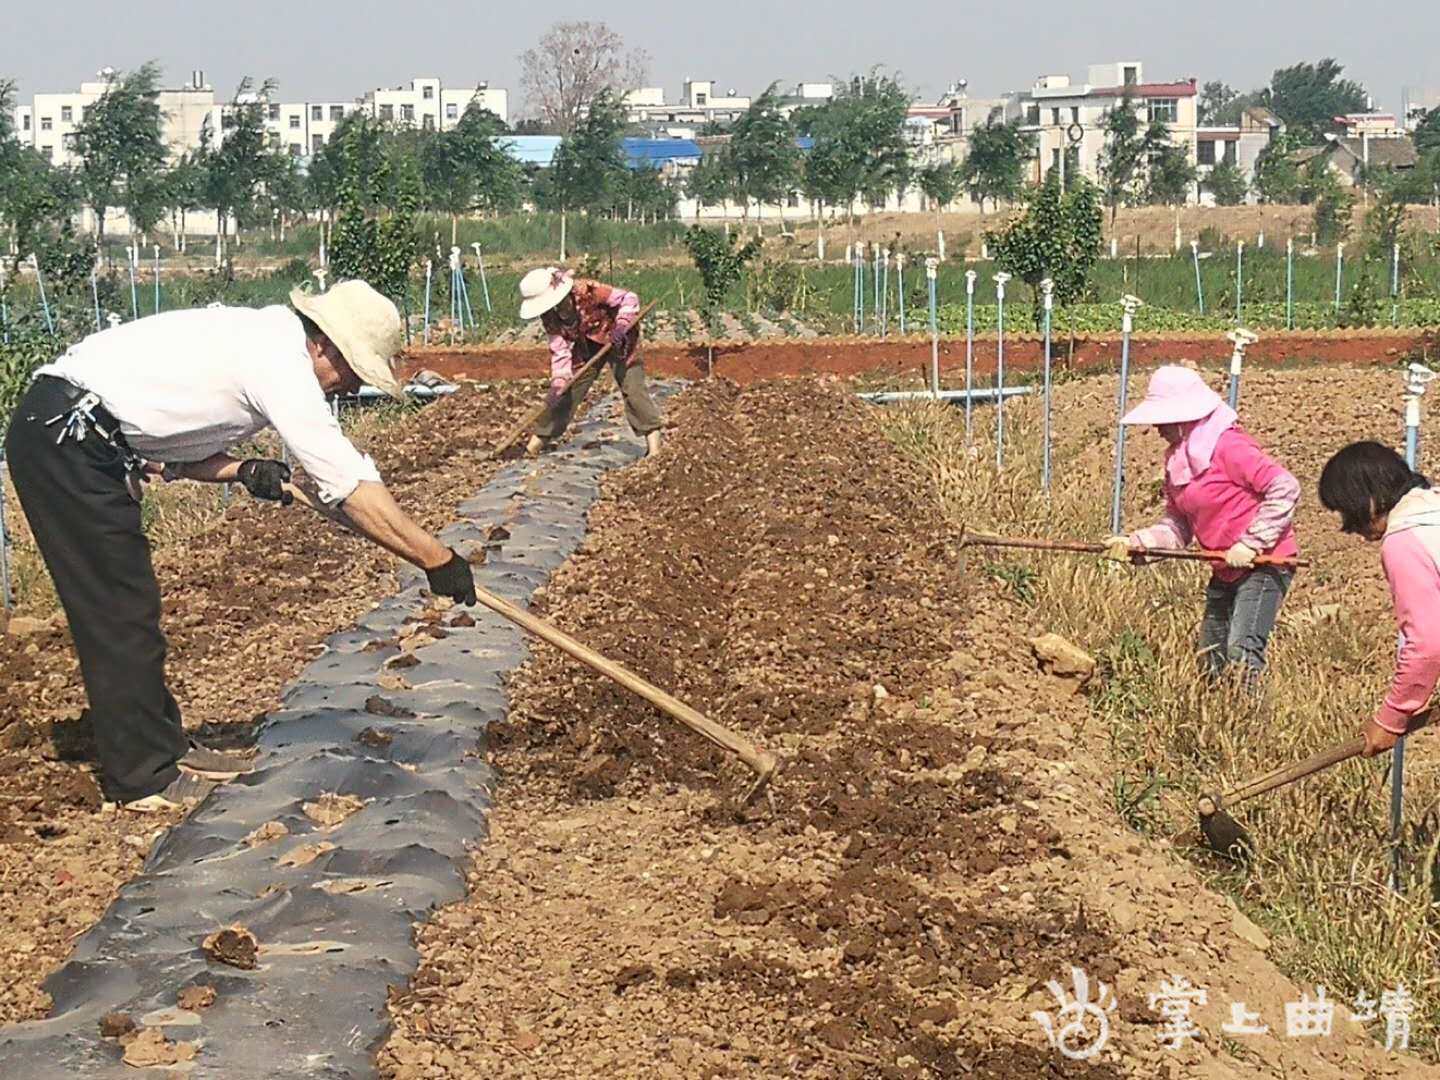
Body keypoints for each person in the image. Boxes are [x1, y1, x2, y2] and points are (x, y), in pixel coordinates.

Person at [4, 281, 478, 812]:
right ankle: (142, 777)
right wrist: (436, 559)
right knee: (116, 609)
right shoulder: (279, 362)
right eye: (349, 372)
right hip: (65, 436)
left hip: (88, 437)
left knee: (131, 605)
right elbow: (347, 486)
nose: (345, 388)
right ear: (324, 344)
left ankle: (163, 746)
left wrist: (241, 470)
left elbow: (167, 453)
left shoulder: (266, 342)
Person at [1105, 365, 1300, 683]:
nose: (1156, 426)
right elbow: (1178, 525)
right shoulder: (1177, 462)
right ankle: (1218, 723)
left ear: (1185, 417)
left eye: (1164, 419)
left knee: (1242, 653)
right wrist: (1139, 542)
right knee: (1211, 659)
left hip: (1266, 563)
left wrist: (1251, 543)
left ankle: (1250, 729)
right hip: (1224, 566)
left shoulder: (1229, 447)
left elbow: (1285, 487)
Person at [1319, 442, 1440, 757]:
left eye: (1346, 510)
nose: (1349, 526)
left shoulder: (1406, 539)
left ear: (1369, 500)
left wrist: (1391, 718)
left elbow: (1427, 644)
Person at [517, 267, 662, 457]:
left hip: (620, 337)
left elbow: (629, 298)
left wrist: (622, 324)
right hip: (587, 343)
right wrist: (559, 383)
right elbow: (560, 351)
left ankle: (655, 447)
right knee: (567, 391)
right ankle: (536, 444)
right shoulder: (550, 318)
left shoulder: (588, 290)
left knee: (632, 387)